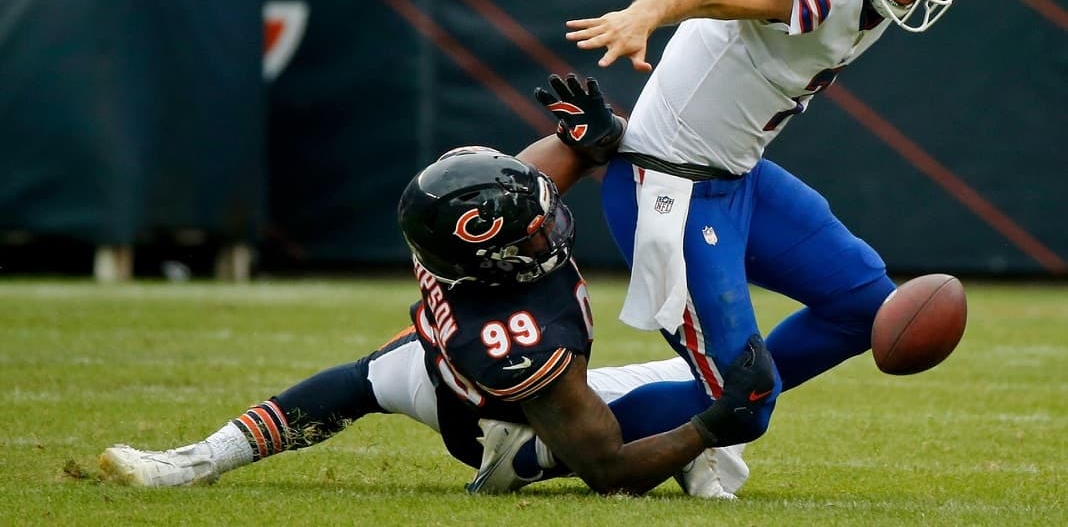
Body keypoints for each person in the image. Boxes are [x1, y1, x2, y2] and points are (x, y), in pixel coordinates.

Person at [99, 87, 775, 498]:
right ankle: (519, 461)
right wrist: (712, 427)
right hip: (505, 423)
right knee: (707, 398)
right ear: (494, 260)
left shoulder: (445, 231)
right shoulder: (517, 334)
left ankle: (197, 459)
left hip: (431, 363)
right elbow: (608, 470)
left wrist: (597, 135)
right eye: (534, 235)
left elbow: (549, 169)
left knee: (353, 382)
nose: (551, 230)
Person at [559, 0, 980, 436]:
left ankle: (705, 391)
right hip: (668, 186)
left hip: (738, 180)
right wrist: (644, 13)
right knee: (743, 402)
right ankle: (536, 451)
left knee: (863, 308)